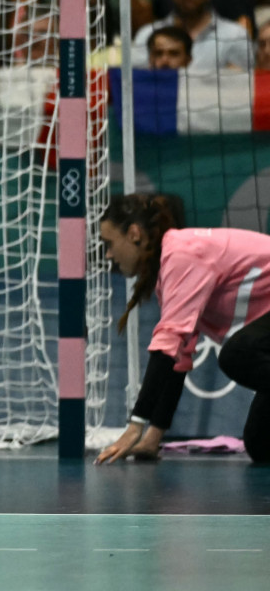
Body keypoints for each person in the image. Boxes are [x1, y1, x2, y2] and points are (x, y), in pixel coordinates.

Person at [96, 194, 270, 464]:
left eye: (109, 243)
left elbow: (166, 349)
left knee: (237, 354)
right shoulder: (171, 271)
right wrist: (152, 437)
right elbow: (177, 357)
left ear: (134, 234)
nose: (108, 255)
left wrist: (135, 426)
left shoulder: (183, 254)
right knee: (260, 444)